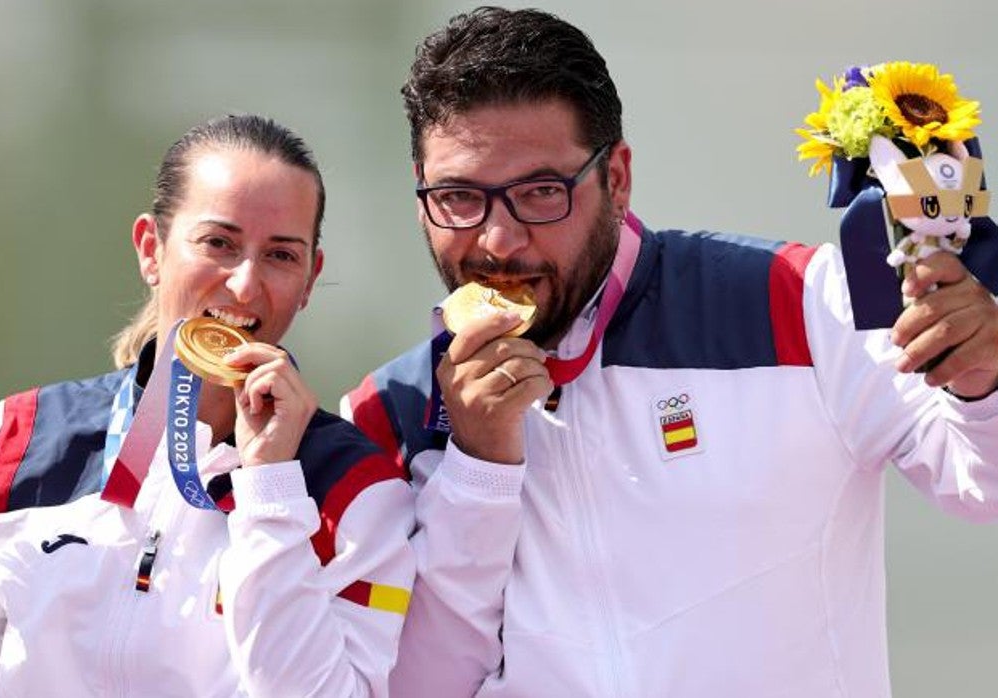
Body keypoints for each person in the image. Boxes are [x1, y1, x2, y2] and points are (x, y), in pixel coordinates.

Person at [342, 7, 998, 697]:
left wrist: (983, 379)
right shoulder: (390, 413)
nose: (499, 240)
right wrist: (477, 471)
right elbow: (412, 684)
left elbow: (981, 486)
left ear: (617, 179)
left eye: (541, 192)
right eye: (459, 197)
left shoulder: (796, 302)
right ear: (421, 196)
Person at [0, 114, 415, 697]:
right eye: (219, 243)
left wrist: (271, 493)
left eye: (281, 255)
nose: (245, 284)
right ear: (152, 249)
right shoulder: (21, 436)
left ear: (310, 279)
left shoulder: (359, 491)